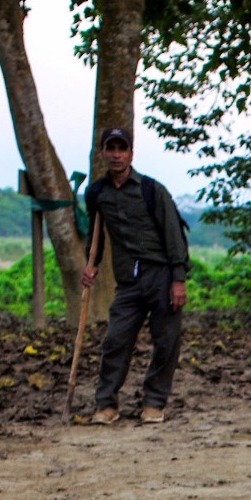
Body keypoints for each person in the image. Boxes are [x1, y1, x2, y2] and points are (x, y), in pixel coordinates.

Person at [81, 127, 190, 425]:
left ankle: (154, 402)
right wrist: (91, 265)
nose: (116, 155)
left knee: (166, 341)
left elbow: (174, 235)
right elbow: (95, 235)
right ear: (103, 153)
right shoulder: (97, 193)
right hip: (128, 280)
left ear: (131, 153)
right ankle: (106, 404)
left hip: (162, 276)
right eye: (110, 149)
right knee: (115, 340)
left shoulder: (151, 190)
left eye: (122, 149)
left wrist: (178, 279)